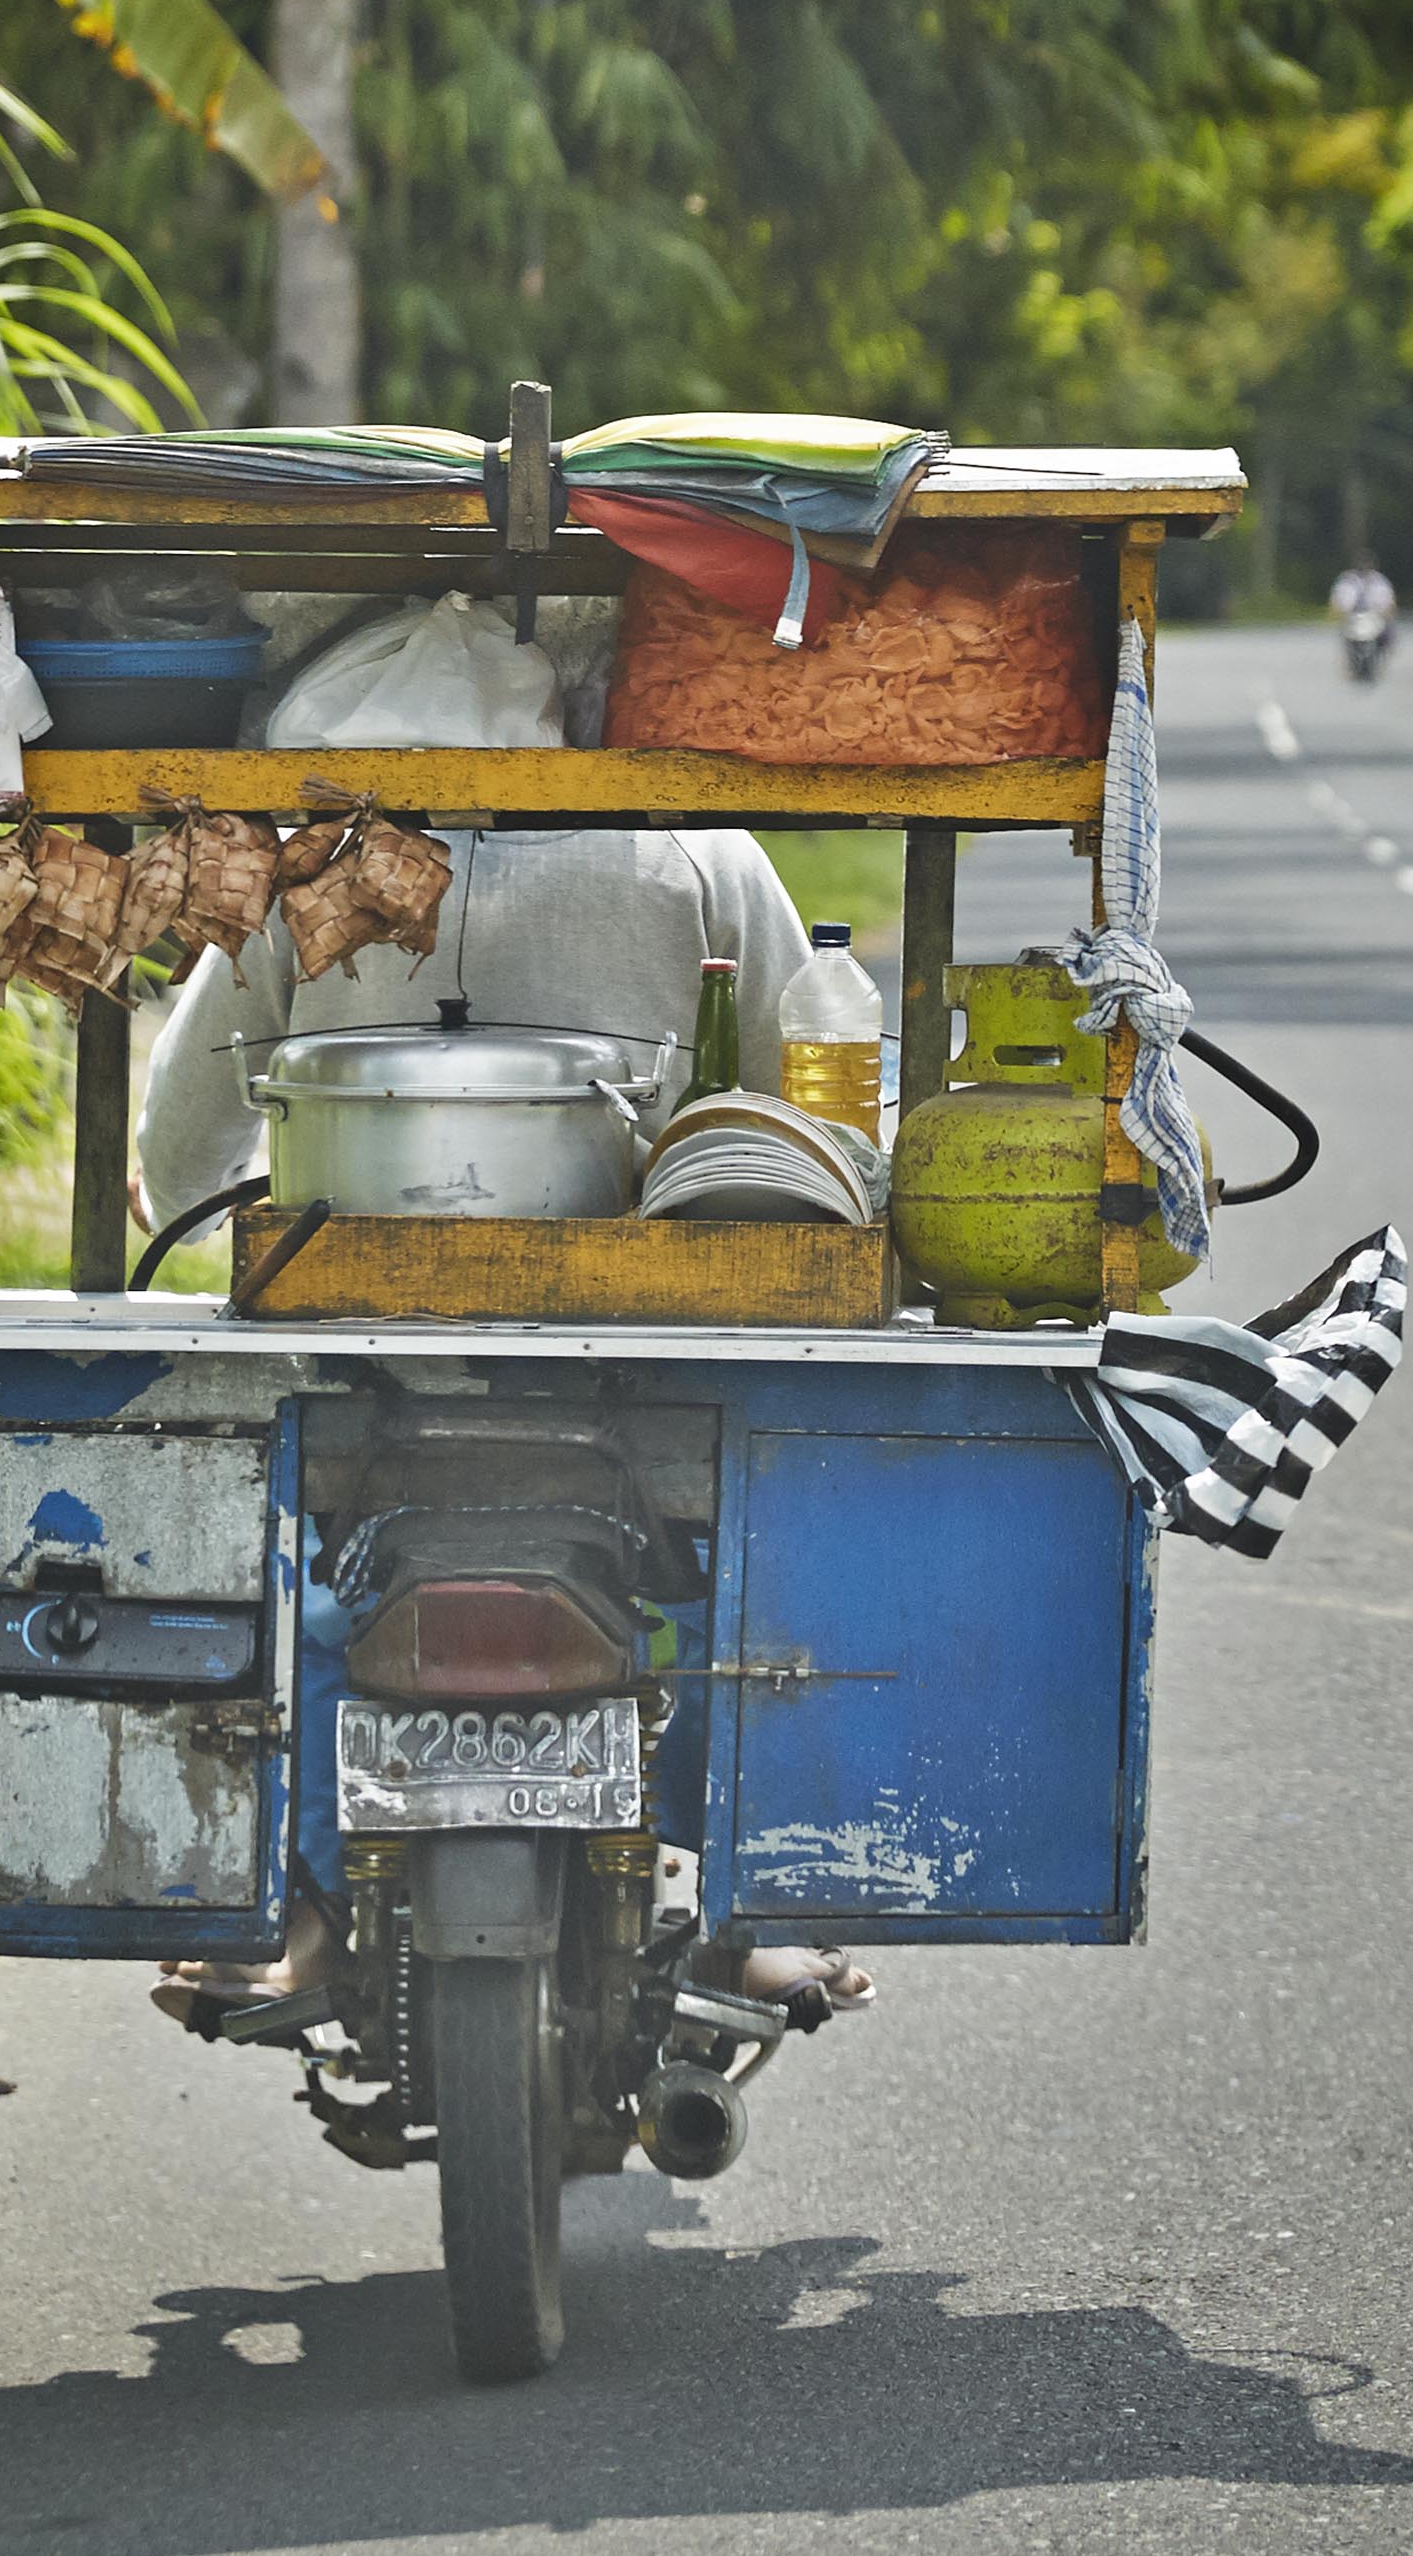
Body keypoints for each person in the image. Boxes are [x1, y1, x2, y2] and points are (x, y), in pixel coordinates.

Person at [136, 823, 876, 2030]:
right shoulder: (703, 853)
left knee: (311, 1596)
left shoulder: (304, 859)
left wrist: (183, 1195)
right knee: (732, 1582)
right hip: (645, 1374)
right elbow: (828, 1120)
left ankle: (303, 1907)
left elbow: (179, 1161)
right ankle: (757, 1905)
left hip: (379, 1382)